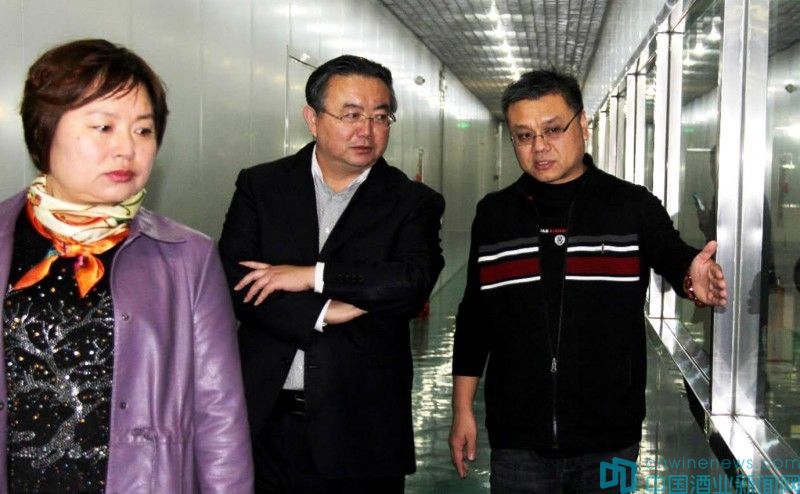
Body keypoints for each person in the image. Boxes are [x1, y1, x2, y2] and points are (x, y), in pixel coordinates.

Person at [448, 70, 728, 493]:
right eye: (524, 136)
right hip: (517, 440)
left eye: (552, 130)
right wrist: (462, 410)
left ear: (582, 125)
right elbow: (475, 319)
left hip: (611, 437)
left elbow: (671, 253)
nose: (539, 146)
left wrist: (693, 274)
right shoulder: (495, 215)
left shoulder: (630, 206)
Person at [0, 39, 253, 493]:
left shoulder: (187, 257)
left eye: (143, 130)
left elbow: (219, 416)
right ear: (44, 129)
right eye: (103, 127)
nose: (126, 149)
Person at [219, 55, 445, 493]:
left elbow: (410, 281)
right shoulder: (261, 186)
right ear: (313, 119)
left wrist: (314, 276)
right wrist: (321, 313)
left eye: (380, 116)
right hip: (264, 423)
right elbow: (237, 281)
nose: (367, 131)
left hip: (362, 430)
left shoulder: (412, 202)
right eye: (352, 115)